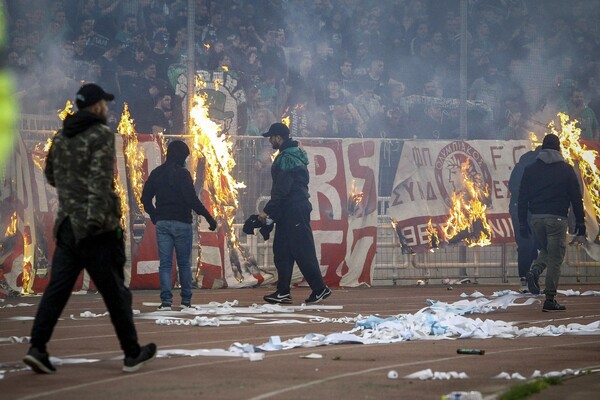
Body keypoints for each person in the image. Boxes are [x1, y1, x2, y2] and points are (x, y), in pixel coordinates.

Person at [24, 83, 156, 374]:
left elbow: (50, 175)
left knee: (57, 291)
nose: (107, 108)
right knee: (115, 292)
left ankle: (37, 347)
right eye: (104, 104)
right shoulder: (100, 135)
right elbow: (99, 182)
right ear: (96, 106)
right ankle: (132, 353)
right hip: (97, 229)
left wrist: (72, 192)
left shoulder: (61, 137)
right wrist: (98, 222)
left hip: (68, 225)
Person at [258, 123, 332, 304]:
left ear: (278, 137)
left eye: (271, 137)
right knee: (282, 251)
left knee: (303, 250)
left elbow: (282, 189)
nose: (270, 140)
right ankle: (283, 291)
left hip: (294, 209)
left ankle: (320, 288)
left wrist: (267, 211)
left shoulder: (286, 158)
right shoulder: (291, 155)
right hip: (289, 210)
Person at [141, 140, 217, 311]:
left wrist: (154, 214)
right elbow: (192, 200)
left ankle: (166, 302)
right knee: (184, 263)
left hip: (163, 223)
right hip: (182, 223)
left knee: (166, 264)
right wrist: (209, 218)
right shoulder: (183, 174)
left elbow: (145, 198)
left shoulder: (157, 173)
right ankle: (186, 301)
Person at [518, 134, 586, 312]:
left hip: (536, 219)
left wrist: (522, 224)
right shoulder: (566, 170)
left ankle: (534, 271)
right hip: (557, 219)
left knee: (547, 250)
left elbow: (522, 197)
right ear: (558, 149)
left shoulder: (530, 169)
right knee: (556, 257)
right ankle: (549, 298)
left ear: (542, 148)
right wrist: (580, 222)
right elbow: (576, 198)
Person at [508, 146, 541, 292]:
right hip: (528, 208)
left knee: (527, 244)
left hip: (519, 208)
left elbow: (512, 187)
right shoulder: (536, 167)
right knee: (530, 244)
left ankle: (526, 278)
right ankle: (528, 277)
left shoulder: (521, 165)